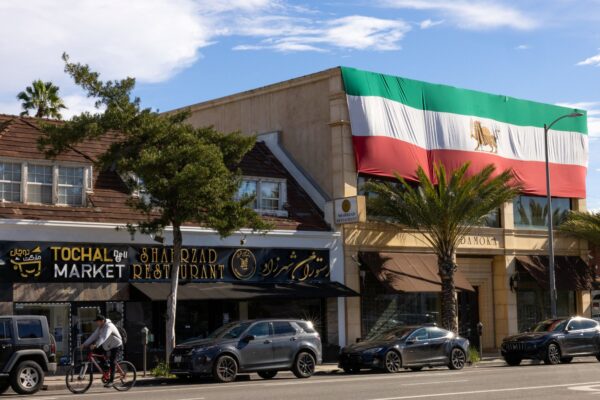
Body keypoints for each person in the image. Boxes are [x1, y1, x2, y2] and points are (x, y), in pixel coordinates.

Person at [81, 315, 123, 387]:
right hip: (107, 345)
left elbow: (104, 337)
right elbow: (93, 336)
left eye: (98, 322)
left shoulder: (109, 326)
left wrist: (96, 344)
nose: (97, 323)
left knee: (112, 361)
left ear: (102, 321)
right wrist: (84, 344)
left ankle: (111, 381)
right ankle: (106, 367)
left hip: (116, 345)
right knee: (96, 350)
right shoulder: (100, 327)